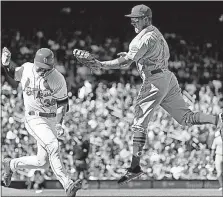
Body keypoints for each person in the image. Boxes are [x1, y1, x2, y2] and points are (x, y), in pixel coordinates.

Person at [74, 4, 223, 185]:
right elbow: (140, 56)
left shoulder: (141, 40)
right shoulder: (156, 33)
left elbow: (125, 62)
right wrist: (130, 57)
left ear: (146, 19)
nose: (133, 22)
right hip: (167, 76)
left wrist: (100, 64)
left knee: (138, 124)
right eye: (132, 19)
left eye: (136, 18)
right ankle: (217, 120)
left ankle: (135, 167)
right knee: (185, 118)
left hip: (154, 80)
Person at [1, 47, 81, 197]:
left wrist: (59, 123)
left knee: (42, 162)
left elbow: (63, 104)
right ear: (35, 62)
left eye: (47, 68)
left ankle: (11, 164)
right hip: (34, 117)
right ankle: (68, 184)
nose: (43, 70)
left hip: (51, 118)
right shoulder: (27, 69)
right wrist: (6, 64)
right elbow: (14, 72)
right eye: (41, 67)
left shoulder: (57, 78)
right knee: (53, 145)